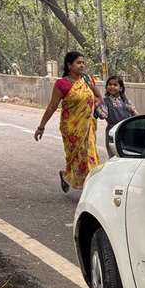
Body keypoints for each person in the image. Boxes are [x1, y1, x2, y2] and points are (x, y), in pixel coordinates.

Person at [34, 50, 102, 193]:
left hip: (88, 127)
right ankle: (67, 177)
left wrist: (90, 108)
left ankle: (90, 189)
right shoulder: (62, 84)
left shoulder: (88, 80)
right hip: (71, 128)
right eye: (78, 63)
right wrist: (41, 127)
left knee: (89, 157)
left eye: (83, 62)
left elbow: (99, 98)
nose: (82, 65)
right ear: (69, 65)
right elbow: (52, 106)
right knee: (76, 158)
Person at [94, 75, 137, 145]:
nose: (112, 87)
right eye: (110, 84)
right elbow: (103, 115)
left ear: (121, 88)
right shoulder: (105, 101)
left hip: (126, 130)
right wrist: (97, 106)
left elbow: (135, 113)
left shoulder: (125, 101)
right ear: (106, 87)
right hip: (112, 131)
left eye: (115, 85)